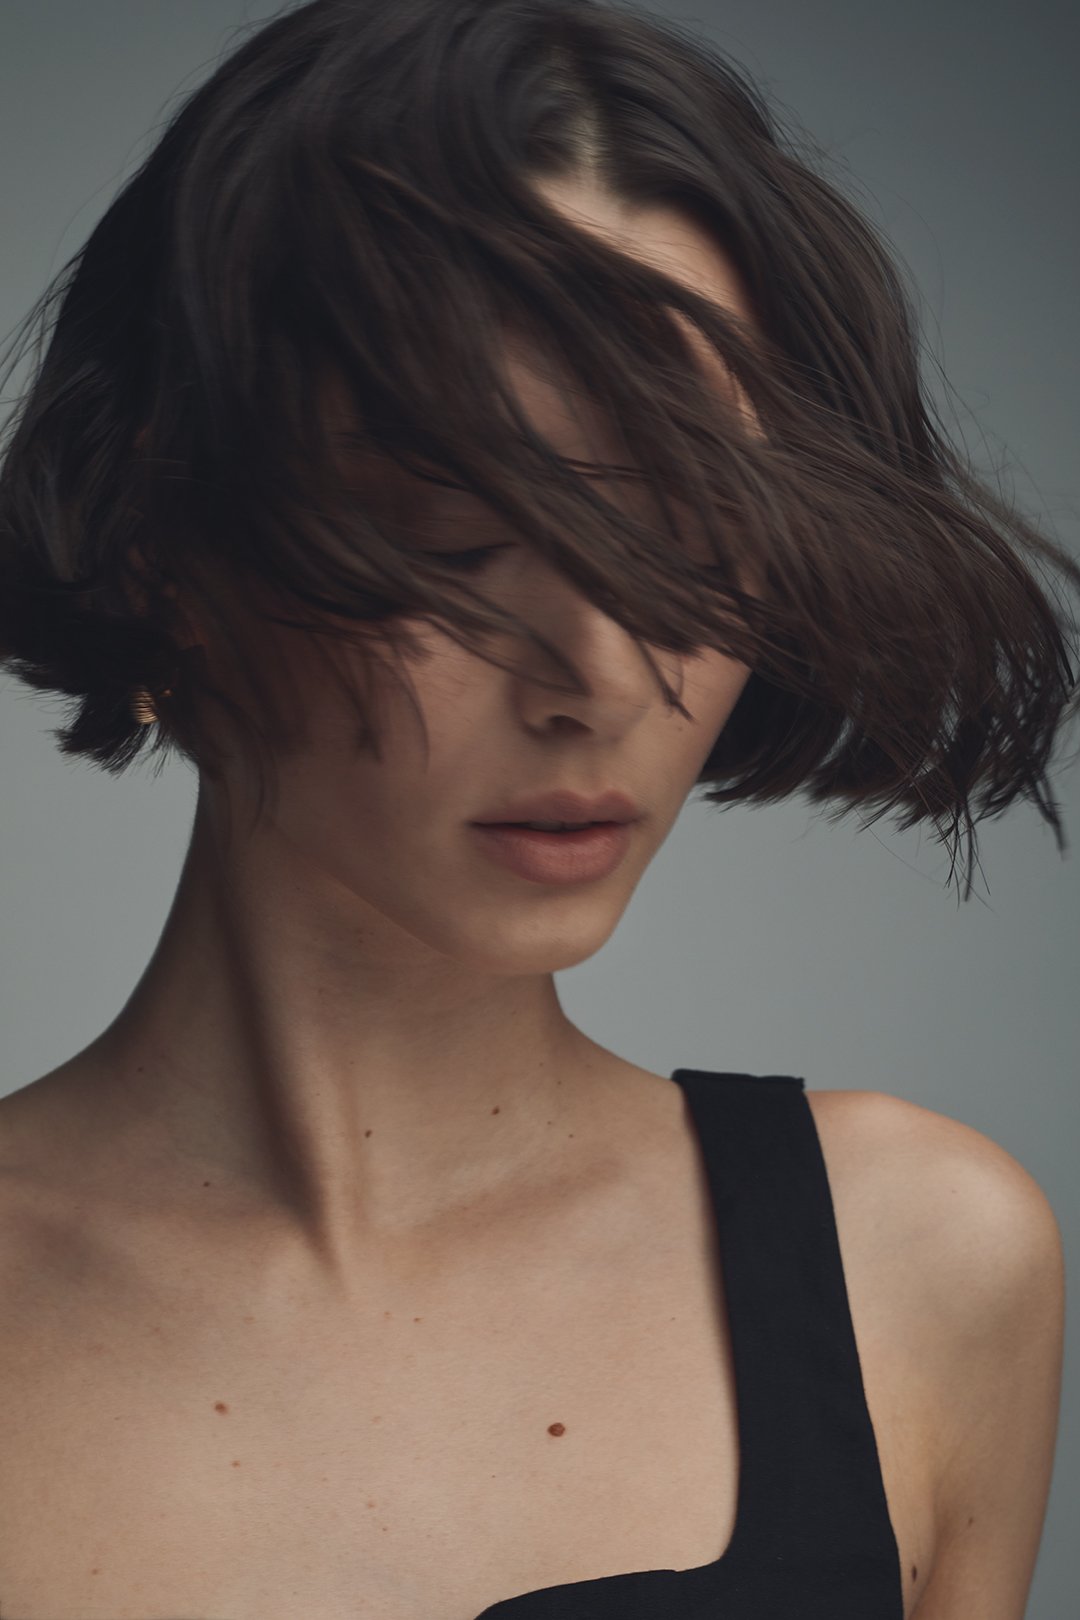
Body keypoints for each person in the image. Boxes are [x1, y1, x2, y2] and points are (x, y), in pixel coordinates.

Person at [0, 2, 1074, 1617]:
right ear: (166, 546)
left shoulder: (918, 1262)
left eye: (692, 542)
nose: (600, 677)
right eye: (454, 538)